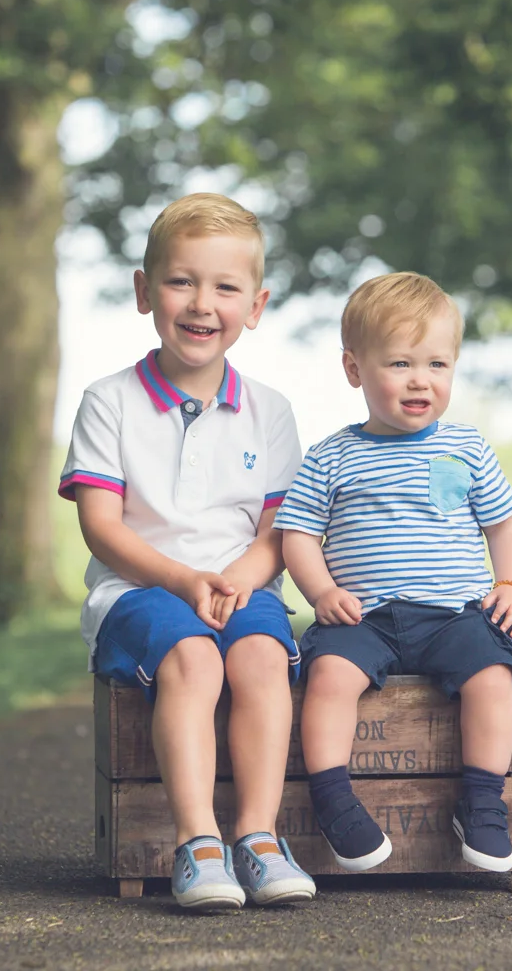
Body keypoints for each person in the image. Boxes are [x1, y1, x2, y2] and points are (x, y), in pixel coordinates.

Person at [59, 193, 314, 909]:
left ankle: (259, 838)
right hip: (137, 595)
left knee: (264, 656)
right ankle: (198, 841)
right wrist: (182, 580)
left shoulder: (271, 411)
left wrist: (236, 579)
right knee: (194, 658)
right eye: (181, 281)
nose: (203, 304)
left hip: (240, 587)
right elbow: (102, 526)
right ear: (145, 292)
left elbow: (280, 533)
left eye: (226, 287)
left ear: (255, 305)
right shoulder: (109, 401)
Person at [274, 271, 512, 874]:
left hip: (453, 614)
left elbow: (506, 525)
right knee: (331, 676)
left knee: (494, 675)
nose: (421, 380)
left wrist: (511, 585)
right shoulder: (332, 455)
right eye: (399, 364)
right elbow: (298, 535)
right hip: (363, 616)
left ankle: (483, 802)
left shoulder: (465, 448)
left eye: (438, 365)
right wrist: (322, 591)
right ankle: (334, 800)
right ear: (354, 369)